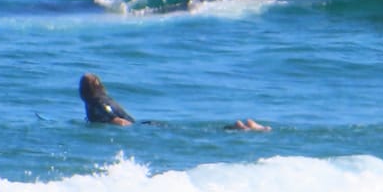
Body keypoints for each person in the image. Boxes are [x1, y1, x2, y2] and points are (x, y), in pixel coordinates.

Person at [78, 72, 269, 132]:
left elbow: (118, 121)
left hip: (143, 128)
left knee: (193, 132)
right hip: (145, 124)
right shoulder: (101, 99)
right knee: (194, 131)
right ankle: (236, 128)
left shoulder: (97, 103)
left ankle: (237, 129)